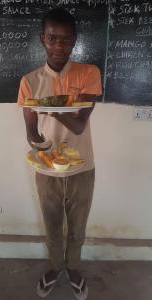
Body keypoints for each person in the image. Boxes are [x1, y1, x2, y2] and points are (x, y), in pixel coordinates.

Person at [17, 7, 102, 300]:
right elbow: (31, 129)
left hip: (81, 167)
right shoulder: (29, 81)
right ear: (43, 39)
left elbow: (79, 125)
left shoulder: (89, 73)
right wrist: (39, 146)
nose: (58, 46)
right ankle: (55, 268)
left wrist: (50, 106)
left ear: (75, 41)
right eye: (52, 38)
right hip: (46, 168)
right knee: (52, 226)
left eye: (65, 40)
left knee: (77, 227)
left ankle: (74, 269)